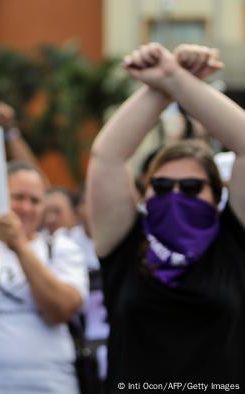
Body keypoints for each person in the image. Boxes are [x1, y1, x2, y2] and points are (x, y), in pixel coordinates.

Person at [87, 43, 245, 391]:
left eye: (190, 188)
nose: (175, 195)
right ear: (145, 192)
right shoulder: (125, 244)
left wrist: (177, 79)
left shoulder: (234, 245)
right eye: (161, 185)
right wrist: (158, 86)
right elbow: (107, 156)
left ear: (216, 195)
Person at [0, 161, 88, 394]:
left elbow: (62, 310)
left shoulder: (61, 247)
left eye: (35, 201)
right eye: (18, 197)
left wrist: (19, 245)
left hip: (52, 383)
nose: (26, 208)